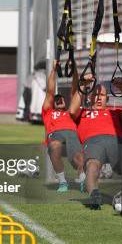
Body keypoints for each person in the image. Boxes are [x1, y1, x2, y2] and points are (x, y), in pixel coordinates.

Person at [69, 76, 122, 209]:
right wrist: (82, 85)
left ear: (107, 99)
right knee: (92, 166)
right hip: (93, 141)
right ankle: (94, 194)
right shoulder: (83, 113)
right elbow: (71, 110)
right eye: (95, 95)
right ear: (89, 98)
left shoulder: (116, 112)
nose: (98, 98)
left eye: (102, 95)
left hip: (115, 140)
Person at [41, 60, 85, 192]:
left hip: (71, 134)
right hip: (55, 135)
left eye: (61, 98)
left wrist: (75, 68)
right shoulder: (49, 112)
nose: (59, 99)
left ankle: (83, 179)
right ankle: (62, 182)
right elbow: (50, 91)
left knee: (78, 157)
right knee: (54, 147)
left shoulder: (70, 113)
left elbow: (75, 89)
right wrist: (54, 70)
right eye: (56, 99)